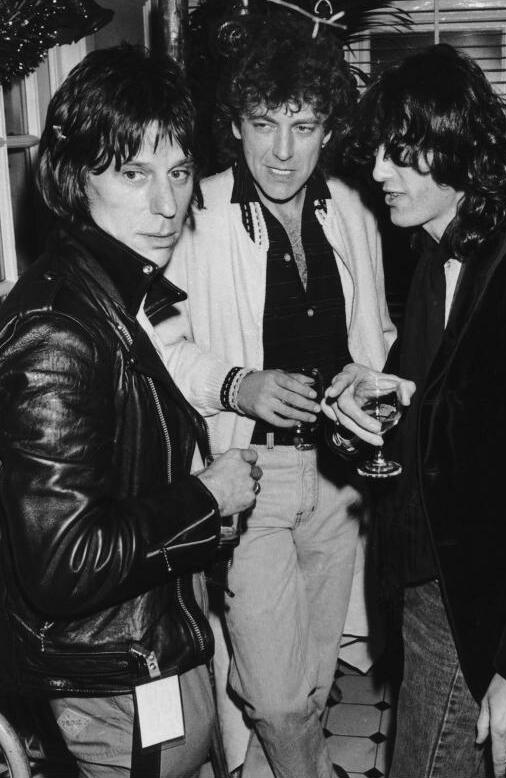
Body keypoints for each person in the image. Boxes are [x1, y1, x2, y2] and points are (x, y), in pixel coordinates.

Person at [0, 44, 262, 778]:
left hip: (139, 653)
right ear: (73, 179)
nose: (167, 204)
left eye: (178, 172)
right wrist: (205, 498)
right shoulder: (58, 331)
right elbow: (64, 562)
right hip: (107, 683)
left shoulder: (115, 294)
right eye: (133, 173)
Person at [324, 42, 506, 778]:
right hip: (422, 584)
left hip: (479, 612)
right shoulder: (433, 261)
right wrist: (362, 416)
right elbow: (436, 422)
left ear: (459, 147)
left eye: (400, 154)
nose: (378, 173)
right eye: (378, 152)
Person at [155, 10, 397, 778]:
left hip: (338, 480)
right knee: (277, 698)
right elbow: (158, 347)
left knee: (314, 682)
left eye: (303, 126)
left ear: (328, 130)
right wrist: (239, 386)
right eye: (265, 124)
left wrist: (368, 383)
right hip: (251, 479)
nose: (283, 151)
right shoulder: (198, 216)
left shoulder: (351, 210)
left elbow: (376, 335)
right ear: (237, 125)